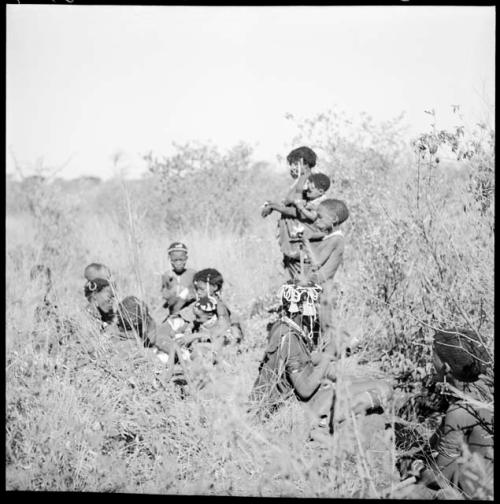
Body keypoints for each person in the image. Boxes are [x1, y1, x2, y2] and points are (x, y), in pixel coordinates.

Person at [248, 280, 391, 432]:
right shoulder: (290, 338)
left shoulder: (283, 326)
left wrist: (338, 354)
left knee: (368, 386)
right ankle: (325, 422)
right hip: (294, 407)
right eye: (314, 303)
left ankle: (328, 419)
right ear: (302, 306)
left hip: (289, 403)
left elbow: (306, 359)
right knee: (383, 389)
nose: (317, 308)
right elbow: (305, 390)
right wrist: (328, 356)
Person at [395, 328, 493, 500]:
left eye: (433, 354)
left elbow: (440, 479)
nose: (430, 359)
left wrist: (413, 466)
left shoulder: (461, 411)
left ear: (446, 367)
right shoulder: (485, 388)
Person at [169, 268, 244, 345]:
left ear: (215, 287)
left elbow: (222, 331)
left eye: (202, 289)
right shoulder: (201, 303)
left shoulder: (219, 307)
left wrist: (194, 336)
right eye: (197, 289)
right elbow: (190, 320)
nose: (198, 292)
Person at [160, 242, 197, 316]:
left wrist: (189, 295)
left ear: (186, 258)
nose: (178, 263)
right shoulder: (166, 275)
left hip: (189, 313)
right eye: (175, 260)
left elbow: (198, 293)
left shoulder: (192, 274)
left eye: (181, 260)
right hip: (173, 313)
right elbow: (164, 296)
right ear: (169, 259)